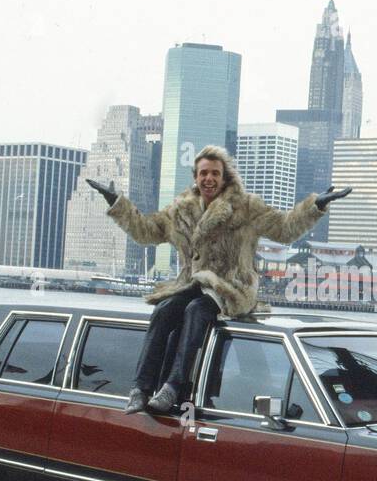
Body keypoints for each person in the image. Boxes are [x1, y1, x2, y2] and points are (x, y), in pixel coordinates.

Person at [87, 144, 350, 414]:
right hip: (193, 284)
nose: (208, 178)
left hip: (231, 288)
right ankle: (140, 389)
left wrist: (315, 206)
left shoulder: (246, 208)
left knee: (195, 310)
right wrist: (117, 204)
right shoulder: (181, 210)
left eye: (215, 173)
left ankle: (173, 387)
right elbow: (147, 232)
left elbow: (284, 229)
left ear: (225, 178)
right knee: (165, 309)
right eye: (203, 173)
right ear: (196, 178)